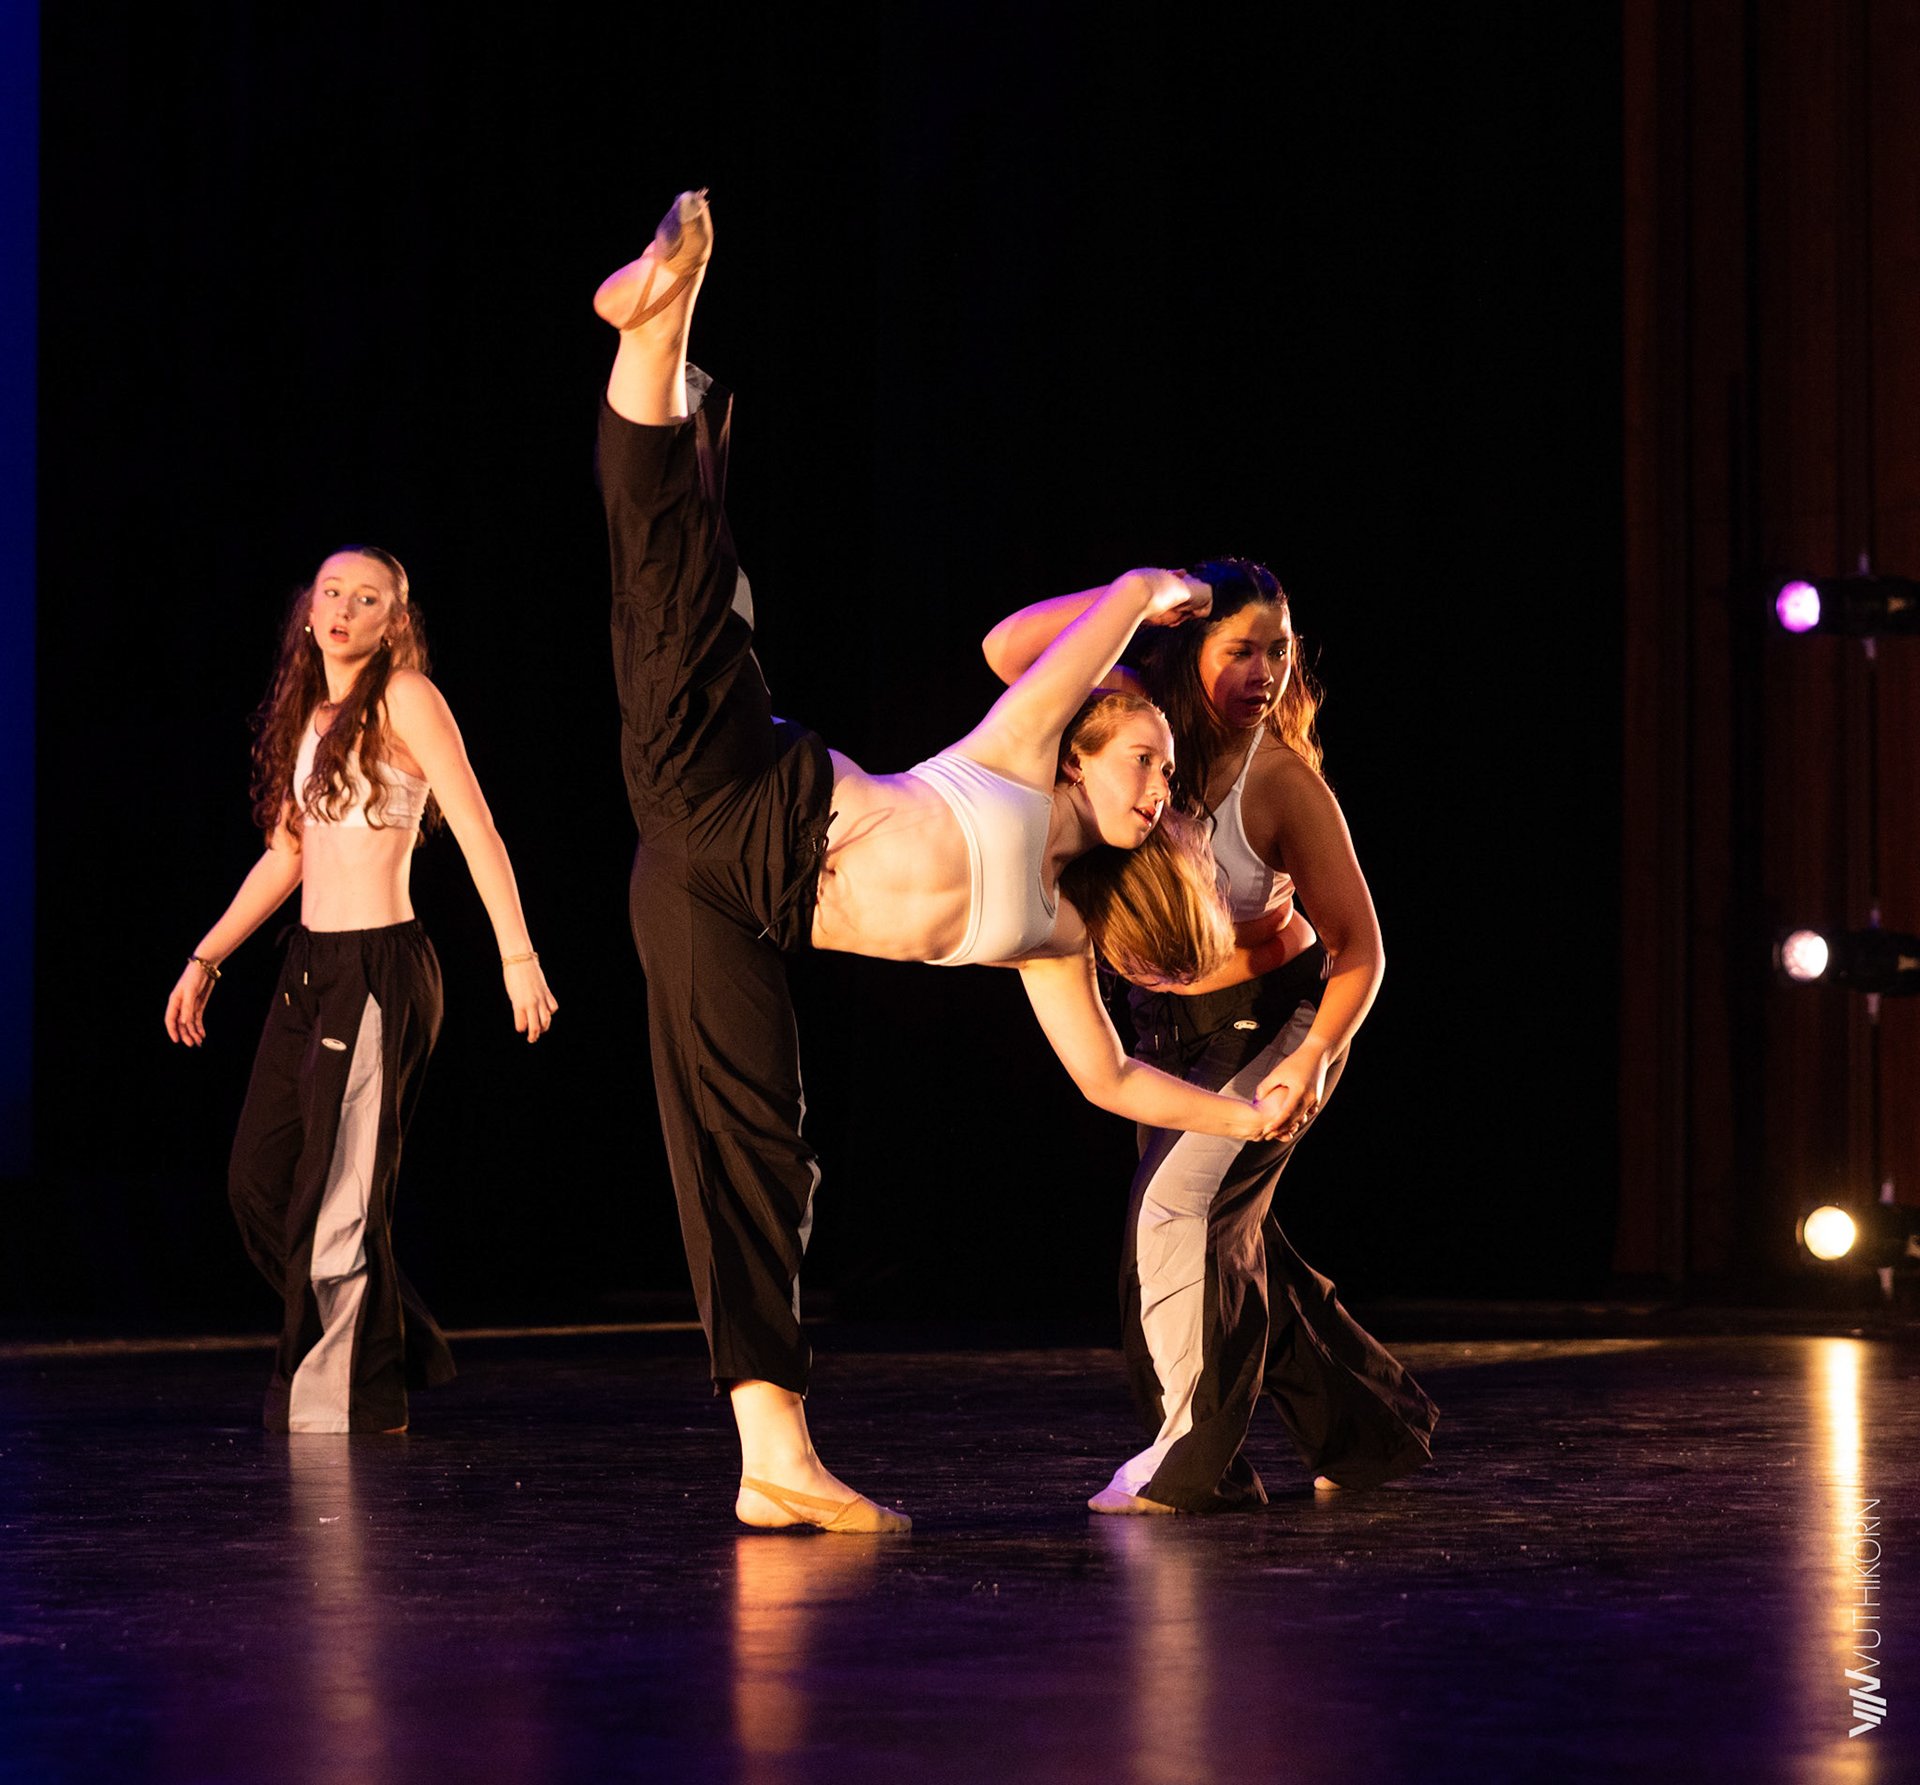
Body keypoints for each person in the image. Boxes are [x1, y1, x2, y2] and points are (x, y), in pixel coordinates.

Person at [594, 191, 1297, 1536]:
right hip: (746, 788)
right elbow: (1081, 636)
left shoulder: (1057, 931)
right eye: (1143, 758)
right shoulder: (1017, 756)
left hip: (719, 899)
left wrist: (1241, 1117)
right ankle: (655, 330)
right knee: (679, 590)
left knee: (755, 1159)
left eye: (1167, 776)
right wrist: (1153, 594)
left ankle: (773, 1461)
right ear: (1083, 753)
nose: (1160, 786)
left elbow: (1108, 1078)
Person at [983, 557, 1437, 1513]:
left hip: (1274, 1020)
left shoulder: (1279, 781)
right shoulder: (1132, 715)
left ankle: (1195, 1467)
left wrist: (1311, 1058)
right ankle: (1367, 1434)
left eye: (1280, 651)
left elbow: (1360, 947)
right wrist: (1142, 595)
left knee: (1177, 1217)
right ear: (1191, 649)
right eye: (1239, 651)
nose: (1264, 673)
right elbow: (1006, 649)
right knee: (1231, 1237)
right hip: (1165, 1028)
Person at [165, 547, 558, 1434]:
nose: (345, 608)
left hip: (380, 971)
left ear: (394, 622)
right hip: (308, 969)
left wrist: (518, 955)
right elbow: (287, 856)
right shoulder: (309, 715)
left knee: (338, 1202)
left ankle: (350, 1400)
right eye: (332, 593)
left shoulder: (406, 698)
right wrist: (205, 959)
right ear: (308, 613)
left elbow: (478, 827)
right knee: (258, 1184)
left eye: (367, 598)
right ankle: (396, 1343)